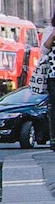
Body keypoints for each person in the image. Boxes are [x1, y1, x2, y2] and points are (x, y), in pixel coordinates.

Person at [30, 21, 55, 150]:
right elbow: (44, 50)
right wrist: (52, 36)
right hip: (53, 77)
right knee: (53, 110)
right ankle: (54, 141)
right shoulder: (50, 30)